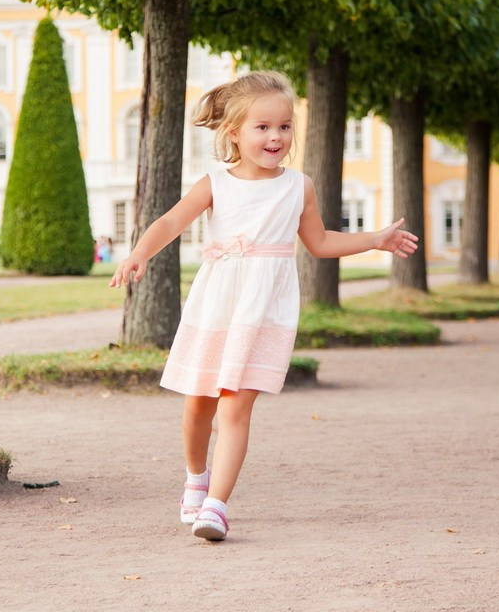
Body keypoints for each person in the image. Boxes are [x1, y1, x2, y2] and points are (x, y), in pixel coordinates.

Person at [109, 71, 419, 542]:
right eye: (263, 127)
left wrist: (374, 240)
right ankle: (196, 478)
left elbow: (319, 242)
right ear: (233, 131)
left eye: (285, 127)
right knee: (199, 407)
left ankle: (216, 506)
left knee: (236, 408)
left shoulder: (299, 187)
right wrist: (138, 254)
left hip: (265, 311)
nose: (276, 137)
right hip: (217, 305)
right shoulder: (215, 183)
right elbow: (171, 221)